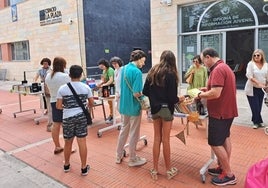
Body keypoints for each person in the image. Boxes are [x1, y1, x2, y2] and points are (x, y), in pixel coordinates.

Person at [197, 48, 238, 186]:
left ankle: (229, 174)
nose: (204, 64)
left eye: (203, 61)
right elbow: (218, 88)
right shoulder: (224, 67)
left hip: (220, 112)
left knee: (215, 142)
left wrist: (200, 95)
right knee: (225, 138)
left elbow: (215, 93)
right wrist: (206, 89)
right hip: (227, 111)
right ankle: (223, 167)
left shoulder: (218, 70)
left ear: (208, 57)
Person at [143, 50, 185, 180]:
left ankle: (155, 169)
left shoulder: (152, 71)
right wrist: (180, 99)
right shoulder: (171, 74)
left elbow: (145, 91)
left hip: (155, 109)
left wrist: (155, 98)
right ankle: (168, 170)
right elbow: (172, 98)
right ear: (173, 61)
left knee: (157, 138)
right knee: (166, 140)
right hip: (167, 110)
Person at [56, 65, 94, 176]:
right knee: (82, 142)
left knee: (68, 142)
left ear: (69, 75)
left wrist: (69, 108)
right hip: (81, 117)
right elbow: (91, 103)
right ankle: (83, 168)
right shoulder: (86, 87)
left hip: (67, 117)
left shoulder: (62, 88)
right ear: (81, 75)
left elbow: (58, 106)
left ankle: (66, 165)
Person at [115, 50, 147, 167]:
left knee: (124, 130)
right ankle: (132, 158)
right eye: (143, 61)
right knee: (134, 133)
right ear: (138, 59)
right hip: (133, 107)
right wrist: (145, 97)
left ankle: (118, 156)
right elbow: (136, 93)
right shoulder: (137, 72)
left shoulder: (123, 69)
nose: (143, 64)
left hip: (123, 105)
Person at [45, 57, 71, 154]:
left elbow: (47, 88)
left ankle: (57, 146)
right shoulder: (65, 76)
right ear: (63, 65)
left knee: (56, 125)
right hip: (65, 101)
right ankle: (68, 147)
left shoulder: (48, 76)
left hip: (53, 100)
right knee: (66, 125)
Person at [244, 49, 268, 129]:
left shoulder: (266, 65)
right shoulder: (251, 64)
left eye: (258, 55)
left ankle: (258, 121)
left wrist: (266, 85)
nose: (256, 57)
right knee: (255, 106)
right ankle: (256, 122)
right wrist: (259, 83)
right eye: (254, 55)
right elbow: (249, 75)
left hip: (262, 89)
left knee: (259, 106)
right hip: (252, 89)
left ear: (262, 56)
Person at [34, 57, 53, 132]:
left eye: (47, 63)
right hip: (43, 87)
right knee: (45, 101)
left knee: (50, 103)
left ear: (48, 64)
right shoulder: (40, 70)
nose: (45, 64)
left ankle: (51, 119)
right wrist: (34, 81)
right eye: (44, 63)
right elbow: (36, 77)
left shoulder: (51, 70)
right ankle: (47, 111)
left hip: (49, 87)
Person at [96, 59, 115, 123]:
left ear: (105, 65)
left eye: (102, 67)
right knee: (109, 103)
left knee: (111, 102)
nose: (101, 68)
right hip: (106, 87)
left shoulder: (110, 70)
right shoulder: (104, 70)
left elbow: (111, 80)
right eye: (100, 67)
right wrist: (100, 83)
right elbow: (103, 79)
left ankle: (112, 116)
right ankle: (111, 115)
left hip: (111, 87)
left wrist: (103, 85)